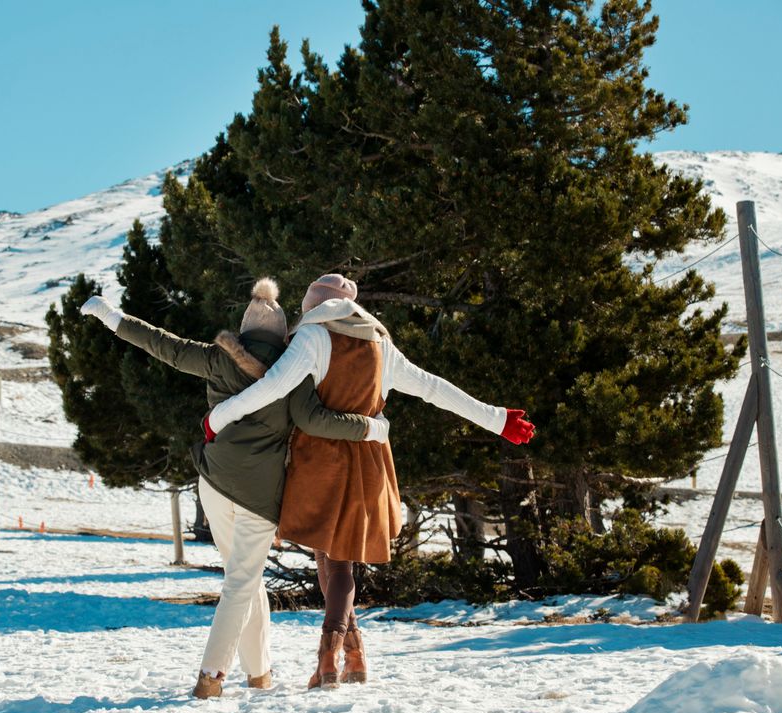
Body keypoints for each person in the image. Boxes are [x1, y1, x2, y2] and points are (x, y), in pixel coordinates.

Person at [205, 273, 535, 689]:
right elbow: (433, 387)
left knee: (335, 558)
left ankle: (329, 658)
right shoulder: (380, 343)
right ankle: (354, 656)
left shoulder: (312, 339)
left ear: (312, 307)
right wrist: (495, 418)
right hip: (368, 460)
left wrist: (218, 417)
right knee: (333, 556)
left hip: (320, 461)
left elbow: (272, 388)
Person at [80, 279, 389, 699]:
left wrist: (111, 316)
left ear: (242, 333)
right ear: (283, 337)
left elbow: (160, 344)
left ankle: (260, 673)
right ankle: (211, 676)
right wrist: (370, 428)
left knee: (245, 578)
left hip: (213, 483)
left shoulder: (215, 359)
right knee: (241, 583)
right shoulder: (292, 371)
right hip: (259, 498)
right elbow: (318, 420)